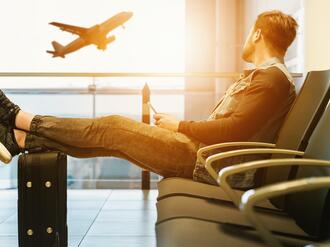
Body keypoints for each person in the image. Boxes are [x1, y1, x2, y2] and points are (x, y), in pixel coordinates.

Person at [0, 10, 298, 187]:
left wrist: (179, 125)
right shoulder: (268, 77)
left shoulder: (270, 78)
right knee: (110, 139)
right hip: (204, 156)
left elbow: (233, 130)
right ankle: (20, 139)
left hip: (205, 161)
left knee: (111, 127)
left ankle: (19, 119)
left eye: (249, 33)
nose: (246, 38)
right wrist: (179, 127)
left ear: (258, 35)